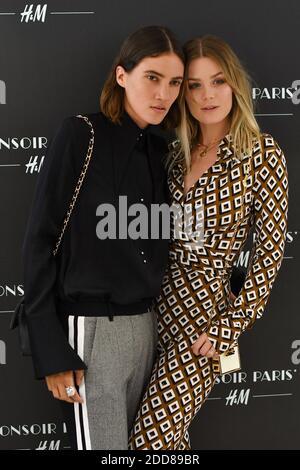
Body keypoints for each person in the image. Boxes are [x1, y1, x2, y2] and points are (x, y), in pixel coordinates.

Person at [22, 25, 185, 450]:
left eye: (174, 83)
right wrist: (51, 350)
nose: (163, 94)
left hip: (149, 329)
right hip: (91, 329)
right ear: (121, 76)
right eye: (152, 77)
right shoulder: (83, 135)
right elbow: (40, 241)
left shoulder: (161, 151)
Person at [128, 35, 288, 450]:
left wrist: (228, 327)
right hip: (152, 310)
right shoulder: (175, 153)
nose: (207, 95)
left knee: (150, 441)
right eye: (195, 85)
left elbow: (269, 255)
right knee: (167, 441)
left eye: (217, 81)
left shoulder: (261, 154)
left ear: (234, 83)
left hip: (204, 321)